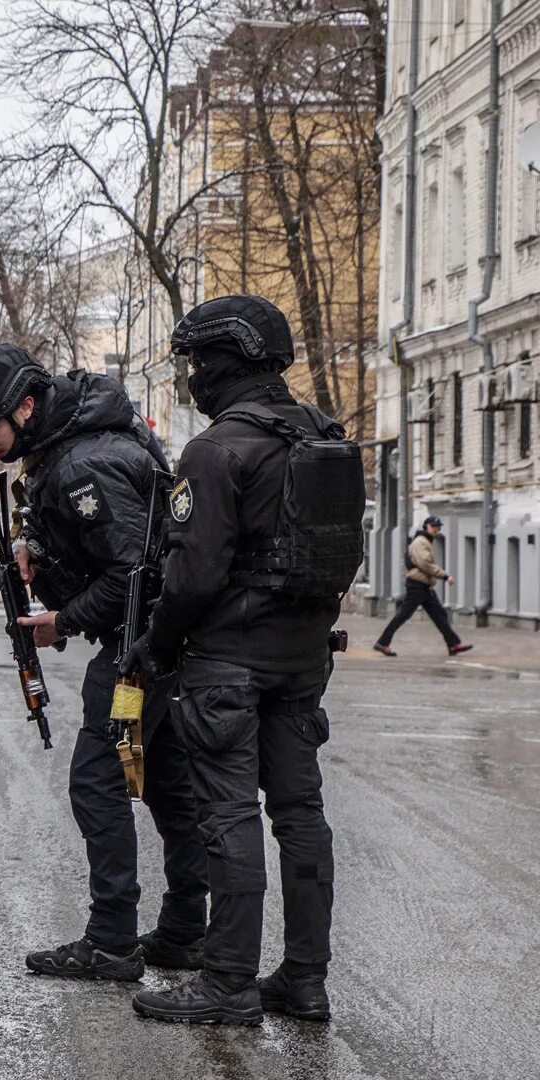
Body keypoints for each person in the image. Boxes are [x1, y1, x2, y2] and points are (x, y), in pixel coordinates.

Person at [125, 295, 365, 1026]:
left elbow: (192, 576)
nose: (192, 375)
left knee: (227, 816)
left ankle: (227, 984)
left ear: (225, 362)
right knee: (301, 814)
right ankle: (305, 980)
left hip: (226, 665)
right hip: (301, 661)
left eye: (197, 361)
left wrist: (155, 645)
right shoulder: (323, 436)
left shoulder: (216, 450)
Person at [0, 344, 208, 983]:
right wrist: (35, 541)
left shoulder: (82, 465)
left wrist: (61, 622)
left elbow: (133, 573)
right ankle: (182, 932)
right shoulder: (75, 443)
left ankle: (113, 941)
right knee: (163, 778)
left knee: (101, 779)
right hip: (156, 646)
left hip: (135, 654)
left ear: (27, 408)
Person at [374, 517, 471, 656]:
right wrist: (444, 576)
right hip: (417, 585)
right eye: (433, 526)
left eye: (438, 526)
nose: (436, 529)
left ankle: (454, 644)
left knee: (439, 615)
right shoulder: (420, 542)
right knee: (403, 615)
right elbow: (425, 564)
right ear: (426, 527)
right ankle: (383, 643)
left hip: (424, 586)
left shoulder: (426, 541)